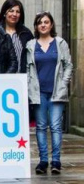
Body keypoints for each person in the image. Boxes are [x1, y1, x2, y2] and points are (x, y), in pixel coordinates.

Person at [27, 12, 72, 175]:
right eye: (40, 23)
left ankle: (56, 161)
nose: (43, 25)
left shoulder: (60, 43)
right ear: (36, 26)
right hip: (38, 93)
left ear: (51, 25)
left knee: (55, 126)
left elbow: (68, 65)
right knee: (40, 127)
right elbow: (27, 68)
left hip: (56, 92)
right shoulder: (31, 45)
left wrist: (63, 83)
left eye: (46, 22)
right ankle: (43, 160)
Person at [0, 0, 34, 73]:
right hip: (0, 78)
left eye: (17, 12)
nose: (14, 14)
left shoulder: (26, 33)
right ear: (4, 13)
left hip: (21, 78)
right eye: (11, 11)